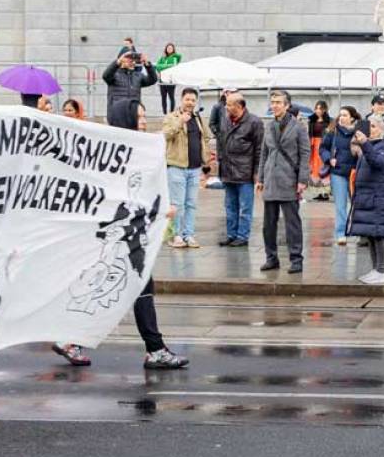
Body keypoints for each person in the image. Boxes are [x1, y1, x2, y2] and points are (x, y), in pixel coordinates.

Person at [53, 101, 190, 370]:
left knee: (122, 288)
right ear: (126, 119)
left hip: (129, 236)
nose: (144, 120)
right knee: (129, 287)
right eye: (139, 116)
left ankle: (72, 340)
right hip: (121, 238)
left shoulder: (136, 148)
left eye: (144, 115)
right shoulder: (118, 153)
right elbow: (120, 196)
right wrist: (159, 211)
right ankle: (154, 349)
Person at [258, 89, 311, 274]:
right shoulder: (269, 126)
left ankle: (296, 259)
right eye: (272, 102)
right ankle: (271, 258)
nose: (274, 106)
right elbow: (264, 153)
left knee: (292, 224)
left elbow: (305, 154)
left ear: (287, 105)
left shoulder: (298, 127)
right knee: (268, 225)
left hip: (289, 179)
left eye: (278, 102)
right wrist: (260, 178)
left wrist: (302, 179)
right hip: (271, 179)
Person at [162, 87, 210, 249]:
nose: (190, 102)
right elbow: (165, 134)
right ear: (181, 100)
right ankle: (175, 235)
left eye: (193, 100)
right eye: (187, 99)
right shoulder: (171, 117)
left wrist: (205, 158)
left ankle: (188, 234)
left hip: (194, 168)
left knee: (191, 204)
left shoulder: (198, 118)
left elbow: (206, 137)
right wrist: (180, 121)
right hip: (176, 166)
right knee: (177, 204)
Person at [348, 114, 384, 285]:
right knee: (371, 235)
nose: (370, 129)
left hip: (377, 197)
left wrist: (365, 143)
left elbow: (378, 163)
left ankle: (381, 270)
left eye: (373, 126)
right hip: (367, 196)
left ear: (382, 129)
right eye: (369, 126)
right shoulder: (369, 145)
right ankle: (375, 269)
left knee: (378, 234)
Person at [215, 92, 262, 248]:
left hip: (244, 172)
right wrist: (220, 159)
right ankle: (231, 234)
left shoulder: (254, 122)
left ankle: (242, 236)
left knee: (245, 208)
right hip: (227, 171)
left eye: (229, 105)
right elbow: (221, 141)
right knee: (230, 207)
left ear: (240, 106)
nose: (226, 107)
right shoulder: (225, 119)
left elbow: (259, 149)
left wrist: (257, 173)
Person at [328, 106, 361, 245]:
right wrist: (329, 158)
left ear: (352, 118)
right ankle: (341, 233)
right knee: (340, 205)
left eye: (345, 115)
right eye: (340, 115)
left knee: (357, 204)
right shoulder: (333, 131)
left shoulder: (359, 132)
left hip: (355, 172)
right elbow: (323, 148)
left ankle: (359, 232)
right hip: (338, 173)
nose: (341, 118)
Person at [102, 48, 158, 129]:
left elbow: (152, 80)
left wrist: (147, 64)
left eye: (134, 60)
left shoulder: (138, 76)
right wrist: (118, 62)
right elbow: (105, 76)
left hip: (133, 117)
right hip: (117, 116)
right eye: (129, 59)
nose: (133, 62)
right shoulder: (114, 75)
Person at [308, 100, 332, 199]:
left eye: (320, 108)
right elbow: (309, 134)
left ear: (325, 110)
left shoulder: (329, 121)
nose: (318, 110)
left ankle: (325, 192)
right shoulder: (312, 120)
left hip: (323, 145)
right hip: (314, 146)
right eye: (316, 108)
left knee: (324, 167)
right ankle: (318, 192)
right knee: (315, 168)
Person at [156, 43, 182, 115]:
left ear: (173, 49)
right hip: (162, 80)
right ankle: (164, 113)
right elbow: (157, 67)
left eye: (171, 48)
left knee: (171, 97)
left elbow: (174, 66)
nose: (169, 49)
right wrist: (167, 66)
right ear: (166, 49)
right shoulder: (162, 58)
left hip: (170, 80)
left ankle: (171, 113)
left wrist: (163, 66)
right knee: (163, 97)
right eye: (168, 48)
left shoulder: (175, 57)